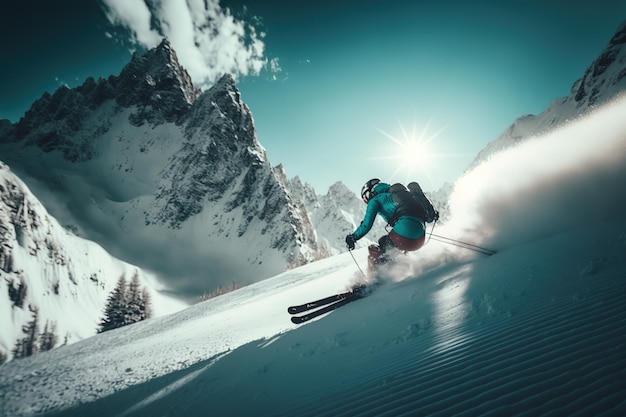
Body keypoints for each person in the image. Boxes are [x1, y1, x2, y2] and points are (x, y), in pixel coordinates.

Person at [345, 178, 435, 271]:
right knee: (391, 248)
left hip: (405, 234)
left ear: (370, 192)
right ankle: (401, 270)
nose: (367, 201)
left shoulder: (375, 199)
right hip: (420, 239)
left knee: (378, 248)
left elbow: (366, 225)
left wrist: (353, 237)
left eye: (366, 198)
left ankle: (376, 278)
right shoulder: (400, 193)